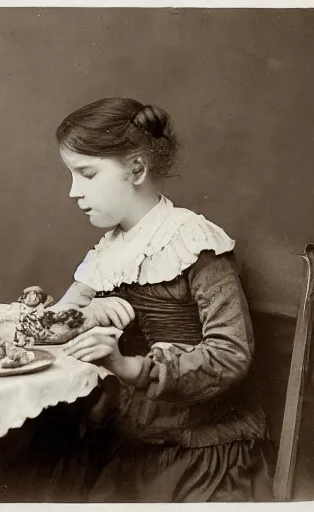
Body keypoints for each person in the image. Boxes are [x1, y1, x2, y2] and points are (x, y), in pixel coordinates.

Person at [50, 97, 273, 502]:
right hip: (126, 442)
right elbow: (52, 325)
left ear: (137, 168)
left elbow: (230, 355)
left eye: (85, 174)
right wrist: (82, 317)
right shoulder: (109, 250)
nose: (72, 192)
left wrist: (127, 365)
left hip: (197, 452)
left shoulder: (192, 241)